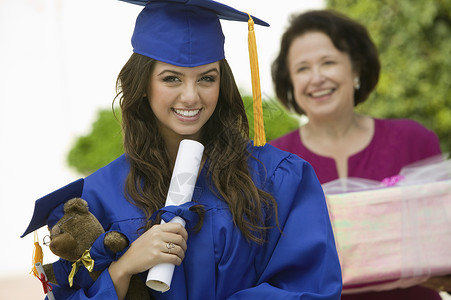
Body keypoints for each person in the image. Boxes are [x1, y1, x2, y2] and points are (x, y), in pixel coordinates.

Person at [21, 1, 343, 299]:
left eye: (206, 78)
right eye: (171, 78)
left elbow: (310, 288)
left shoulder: (277, 178)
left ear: (222, 82)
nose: (191, 97)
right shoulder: (99, 195)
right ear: (144, 85)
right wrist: (125, 266)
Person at [270, 9, 445, 300]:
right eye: (302, 68)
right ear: (290, 82)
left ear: (355, 69)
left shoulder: (415, 140)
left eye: (328, 62)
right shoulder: (272, 160)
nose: (316, 78)